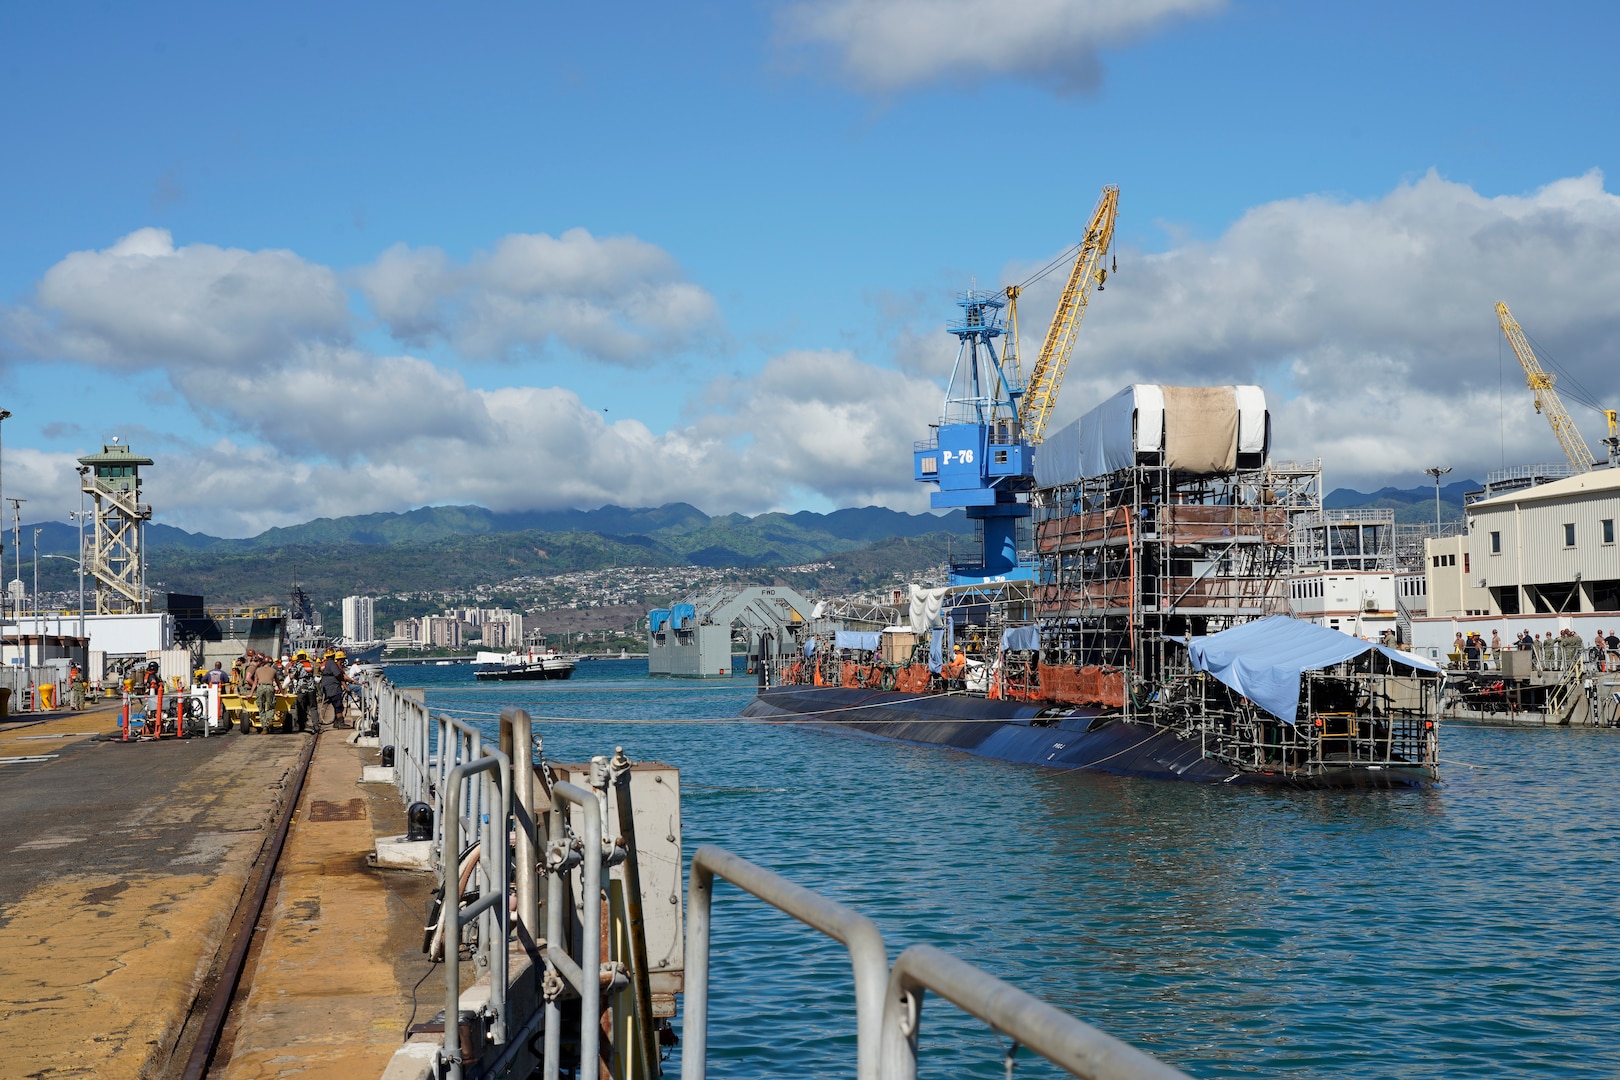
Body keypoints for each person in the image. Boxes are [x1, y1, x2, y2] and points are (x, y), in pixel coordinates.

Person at [247, 652, 278, 733]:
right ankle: (270, 719)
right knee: (271, 705)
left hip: (260, 687)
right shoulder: (274, 670)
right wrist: (283, 693)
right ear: (271, 663)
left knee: (261, 708)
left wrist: (251, 693)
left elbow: (255, 683)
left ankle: (264, 727)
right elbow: (278, 683)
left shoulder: (258, 670)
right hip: (270, 687)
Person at [319, 649, 348, 729]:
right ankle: (341, 723)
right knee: (338, 705)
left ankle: (336, 723)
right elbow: (338, 674)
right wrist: (345, 681)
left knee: (336, 705)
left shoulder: (327, 663)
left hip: (327, 687)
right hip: (333, 688)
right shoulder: (332, 663)